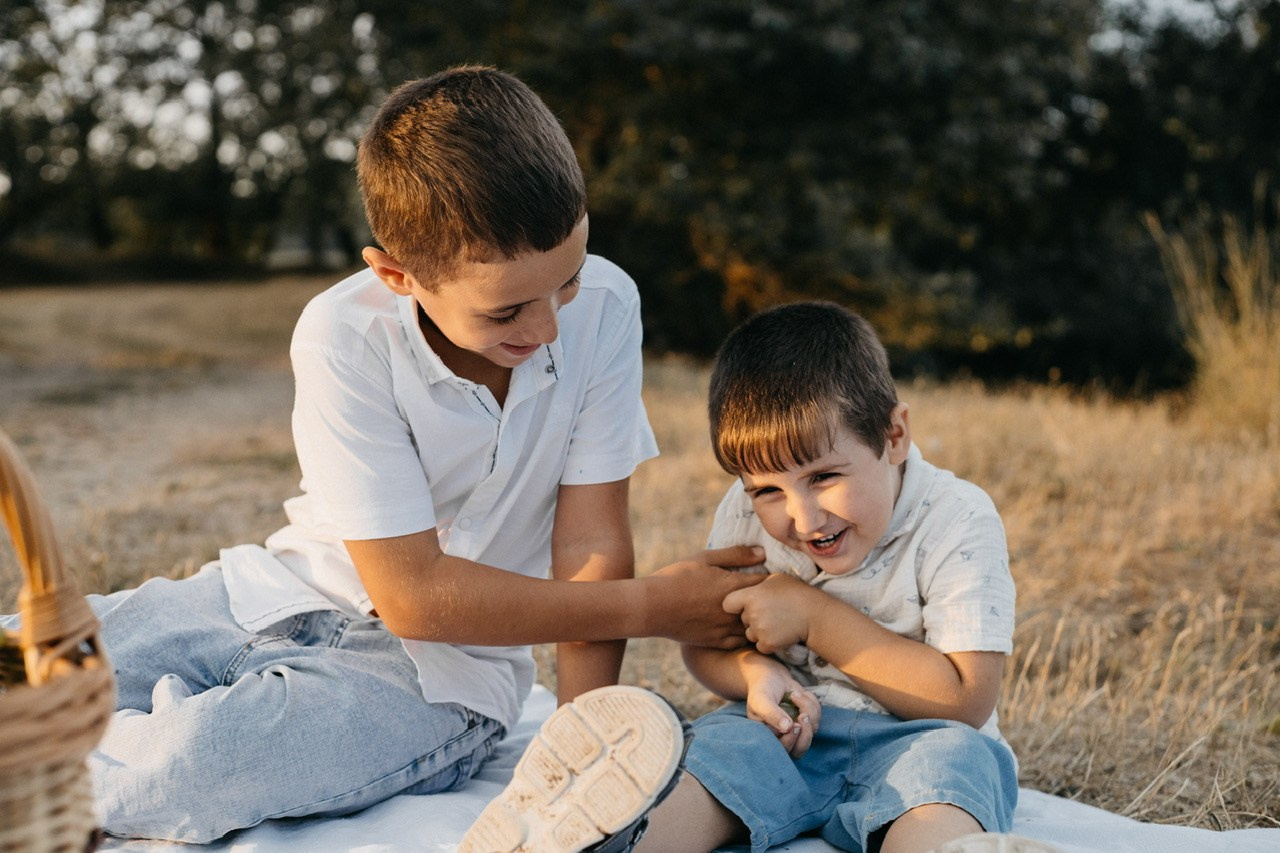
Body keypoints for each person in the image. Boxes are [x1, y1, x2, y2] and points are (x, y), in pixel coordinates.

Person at [0, 66, 764, 844]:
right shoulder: (342, 334)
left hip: (433, 680)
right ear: (397, 276)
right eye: (507, 309)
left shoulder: (606, 305)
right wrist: (653, 605)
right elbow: (412, 589)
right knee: (18, 651)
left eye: (565, 281)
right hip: (271, 593)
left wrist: (578, 743)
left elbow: (590, 542)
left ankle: (51, 757)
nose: (549, 328)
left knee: (190, 761)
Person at [467, 301, 1053, 853]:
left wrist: (813, 615)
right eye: (769, 490)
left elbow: (963, 700)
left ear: (893, 436)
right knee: (715, 752)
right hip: (783, 741)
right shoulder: (746, 516)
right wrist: (752, 674)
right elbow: (709, 646)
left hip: (919, 740)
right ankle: (595, 839)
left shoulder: (956, 518)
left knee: (957, 766)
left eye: (824, 477)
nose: (801, 519)